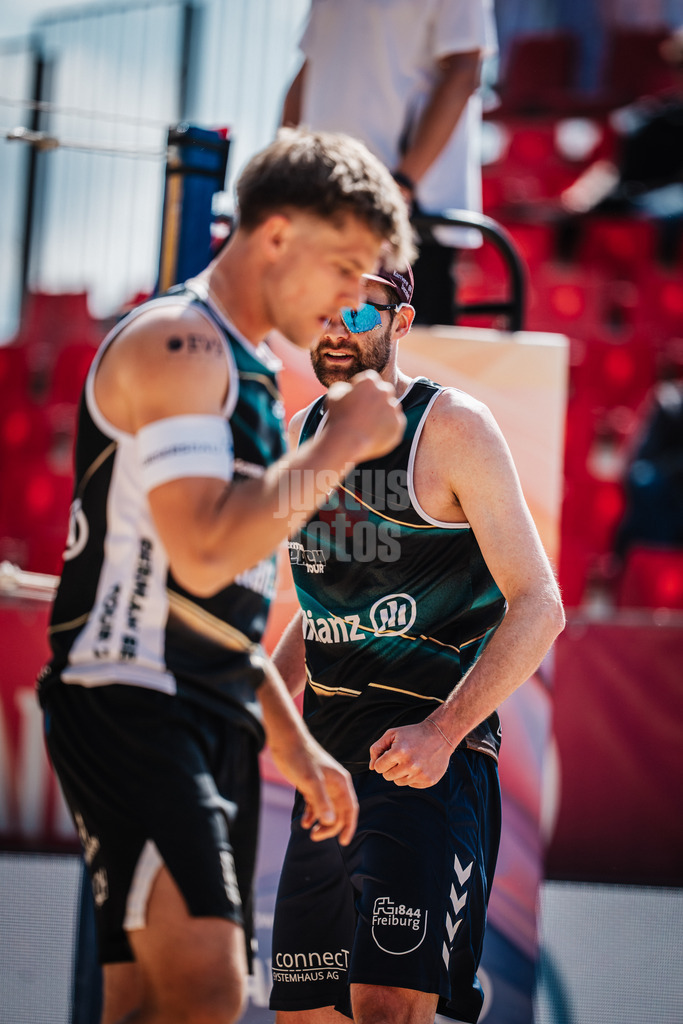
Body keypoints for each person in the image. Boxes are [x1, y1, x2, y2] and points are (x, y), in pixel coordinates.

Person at [37, 127, 416, 1024]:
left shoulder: (240, 365)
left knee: (147, 1000)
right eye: (343, 266)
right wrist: (341, 446)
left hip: (200, 703)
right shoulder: (182, 344)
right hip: (130, 694)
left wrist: (297, 749)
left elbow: (222, 611)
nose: (345, 301)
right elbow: (206, 551)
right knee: (208, 988)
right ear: (278, 234)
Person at [269, 263, 565, 1024]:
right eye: (322, 311)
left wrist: (440, 733)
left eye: (358, 315)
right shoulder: (298, 439)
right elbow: (328, 607)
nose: (336, 329)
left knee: (386, 1008)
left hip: (426, 765)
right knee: (303, 1015)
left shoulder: (452, 427)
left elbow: (538, 606)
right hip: (328, 778)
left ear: (401, 324)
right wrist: (255, 710)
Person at [281, 0, 497, 327]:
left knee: (400, 363)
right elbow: (310, 68)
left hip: (410, 224)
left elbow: (464, 71)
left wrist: (403, 184)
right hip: (323, 209)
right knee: (313, 360)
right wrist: (282, 171)